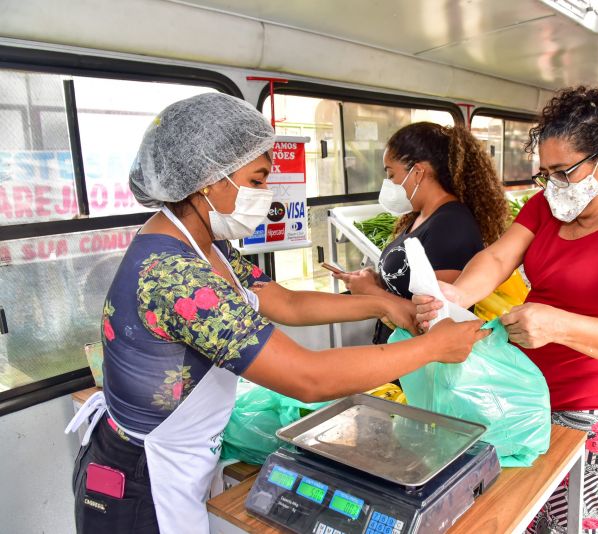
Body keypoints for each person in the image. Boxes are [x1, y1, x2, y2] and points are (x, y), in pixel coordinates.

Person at [65, 94, 488, 534]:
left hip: (175, 458)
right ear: (210, 178)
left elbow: (285, 301)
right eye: (258, 179)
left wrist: (383, 303)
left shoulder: (207, 247)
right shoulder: (175, 275)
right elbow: (308, 378)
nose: (266, 195)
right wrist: (433, 347)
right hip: (140, 481)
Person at [414, 86, 598, 533]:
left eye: (562, 172)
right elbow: (500, 257)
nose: (551, 185)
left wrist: (558, 325)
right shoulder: (547, 206)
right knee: (525, 512)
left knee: (577, 523)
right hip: (528, 392)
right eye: (545, 173)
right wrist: (455, 296)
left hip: (597, 406)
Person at [334, 121, 508, 344]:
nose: (388, 183)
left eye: (390, 175)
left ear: (417, 172)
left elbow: (438, 319)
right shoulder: (421, 215)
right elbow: (410, 287)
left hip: (422, 365)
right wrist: (379, 281)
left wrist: (370, 291)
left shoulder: (451, 226)